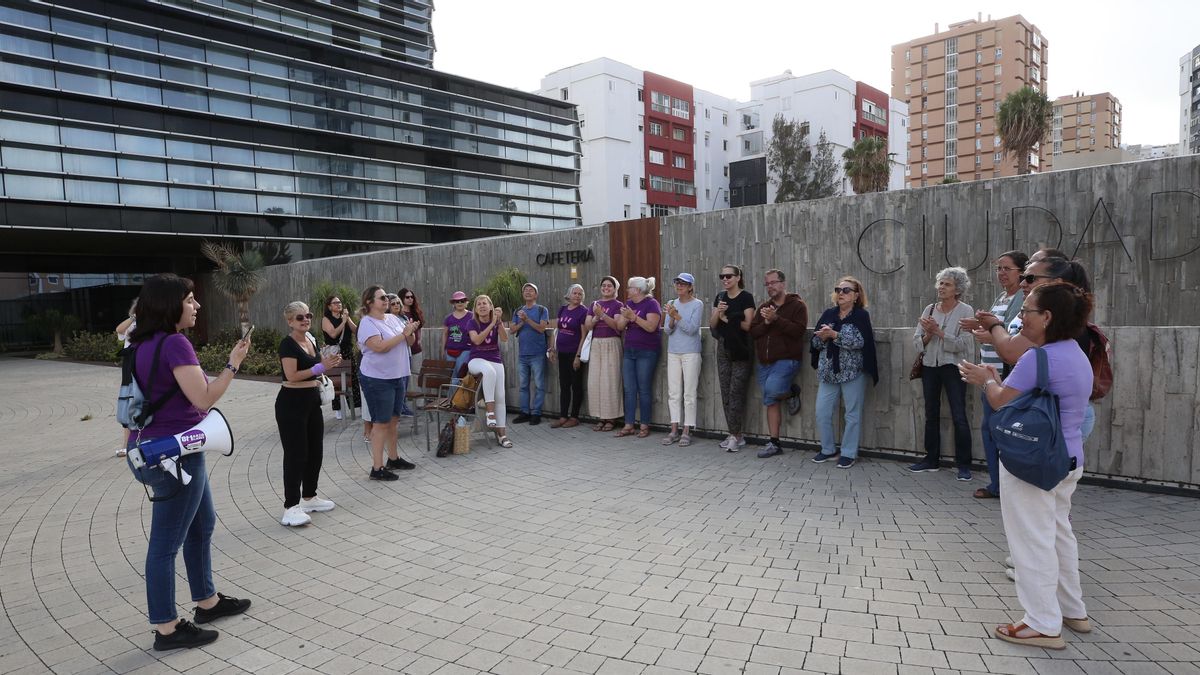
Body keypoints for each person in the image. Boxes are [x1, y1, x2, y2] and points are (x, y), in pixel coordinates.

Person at [960, 282, 1094, 650]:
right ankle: (1072, 611)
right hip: (1067, 458)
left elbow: (1001, 400)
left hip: (1034, 463)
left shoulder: (1039, 357)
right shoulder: (1074, 352)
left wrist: (985, 379)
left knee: (1030, 542)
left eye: (1027, 311)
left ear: (1047, 317)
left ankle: (1041, 624)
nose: (1020, 317)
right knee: (1058, 534)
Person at [124, 273, 251, 651]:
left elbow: (129, 405)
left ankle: (207, 602)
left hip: (157, 449)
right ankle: (166, 628)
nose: (197, 306)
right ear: (170, 305)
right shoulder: (175, 343)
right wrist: (233, 363)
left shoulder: (138, 344)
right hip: (175, 453)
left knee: (202, 525)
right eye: (191, 299)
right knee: (165, 545)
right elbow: (203, 399)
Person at [958, 250, 1028, 499]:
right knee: (991, 430)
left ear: (1022, 272)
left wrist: (987, 333)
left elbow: (1010, 336)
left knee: (999, 431)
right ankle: (998, 484)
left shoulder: (1022, 297)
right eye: (998, 268)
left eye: (1006, 268)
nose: (1001, 273)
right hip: (989, 375)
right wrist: (978, 326)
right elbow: (997, 330)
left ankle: (1003, 486)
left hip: (1005, 377)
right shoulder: (1002, 296)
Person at [276, 302, 340, 527]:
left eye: (308, 315)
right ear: (290, 321)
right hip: (291, 404)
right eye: (299, 317)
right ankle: (290, 507)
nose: (305, 319)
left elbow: (318, 365)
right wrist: (320, 368)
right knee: (296, 455)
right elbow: (291, 375)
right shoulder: (288, 344)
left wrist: (329, 361)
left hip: (312, 401)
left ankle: (310, 497)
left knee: (315, 451)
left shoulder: (311, 339)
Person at [910, 267, 976, 478]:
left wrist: (939, 332)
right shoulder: (929, 309)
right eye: (940, 283)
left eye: (947, 284)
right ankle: (931, 459)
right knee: (931, 414)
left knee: (959, 415)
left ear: (957, 289)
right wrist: (929, 335)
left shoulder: (966, 311)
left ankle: (964, 465)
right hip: (930, 366)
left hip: (954, 367)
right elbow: (917, 343)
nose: (941, 287)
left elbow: (962, 345)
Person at [809, 276, 879, 468]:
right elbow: (814, 344)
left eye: (846, 290)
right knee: (822, 412)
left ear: (856, 295)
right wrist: (823, 338)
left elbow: (860, 342)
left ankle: (848, 453)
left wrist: (834, 335)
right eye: (838, 289)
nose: (841, 293)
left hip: (853, 372)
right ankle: (828, 449)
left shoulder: (861, 316)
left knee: (852, 414)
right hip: (828, 372)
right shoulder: (828, 314)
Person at [357, 286, 419, 481]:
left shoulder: (392, 318)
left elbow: (409, 342)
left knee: (393, 420)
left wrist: (410, 332)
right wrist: (403, 334)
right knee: (381, 423)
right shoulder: (367, 323)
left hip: (397, 375)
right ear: (369, 302)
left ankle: (393, 458)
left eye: (386, 297)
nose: (386, 300)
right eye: (381, 297)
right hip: (378, 379)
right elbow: (380, 347)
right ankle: (377, 467)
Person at [748, 269, 808, 458]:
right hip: (764, 363)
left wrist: (776, 320)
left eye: (773, 283)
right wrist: (766, 323)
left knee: (772, 390)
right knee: (770, 400)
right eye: (767, 284)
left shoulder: (797, 305)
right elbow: (753, 332)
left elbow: (798, 331)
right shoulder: (764, 307)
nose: (770, 287)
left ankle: (792, 392)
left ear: (782, 283)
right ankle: (774, 443)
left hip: (787, 359)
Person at [710, 265, 755, 452]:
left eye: (729, 276)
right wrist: (717, 314)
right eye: (722, 276)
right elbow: (712, 325)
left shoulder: (746, 297)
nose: (725, 279)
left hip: (741, 348)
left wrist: (726, 318)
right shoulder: (720, 297)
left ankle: (735, 435)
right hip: (723, 346)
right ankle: (734, 434)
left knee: (736, 392)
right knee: (725, 392)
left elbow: (748, 326)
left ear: (738, 277)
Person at [614, 276, 662, 438]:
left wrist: (633, 317)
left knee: (644, 388)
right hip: (630, 350)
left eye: (629, 287)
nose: (627, 290)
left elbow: (651, 327)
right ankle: (629, 424)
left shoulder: (651, 304)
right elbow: (620, 326)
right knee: (629, 389)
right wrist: (626, 317)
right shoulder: (629, 305)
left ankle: (644, 424)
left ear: (638, 290)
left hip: (647, 351)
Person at [662, 273, 703, 446]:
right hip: (673, 352)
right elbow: (667, 330)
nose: (679, 286)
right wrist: (671, 317)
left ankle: (687, 429)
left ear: (690, 287)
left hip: (691, 353)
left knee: (689, 393)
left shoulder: (697, 304)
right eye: (677, 283)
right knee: (673, 393)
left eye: (683, 284)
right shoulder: (672, 303)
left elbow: (692, 329)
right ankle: (674, 429)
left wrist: (677, 316)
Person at [468, 294, 513, 447]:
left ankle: (502, 435)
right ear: (475, 309)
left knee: (501, 396)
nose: (482, 306)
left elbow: (505, 338)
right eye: (478, 304)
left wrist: (498, 322)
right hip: (476, 360)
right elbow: (477, 340)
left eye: (484, 303)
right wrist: (491, 324)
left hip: (495, 359)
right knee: (489, 372)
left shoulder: (496, 321)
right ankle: (490, 412)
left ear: (491, 306)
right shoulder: (472, 323)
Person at [585, 276, 625, 432]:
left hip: (611, 342)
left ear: (615, 289)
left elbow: (617, 326)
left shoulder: (618, 305)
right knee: (595, 381)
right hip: (596, 343)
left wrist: (602, 315)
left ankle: (611, 417)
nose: (606, 288)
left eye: (610, 286)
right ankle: (600, 416)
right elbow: (588, 326)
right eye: (604, 285)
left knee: (610, 380)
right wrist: (595, 316)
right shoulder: (594, 304)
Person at [510, 282, 550, 425]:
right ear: (523, 294)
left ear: (536, 294)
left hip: (538, 354)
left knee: (539, 385)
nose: (528, 292)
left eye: (531, 290)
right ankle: (524, 412)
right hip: (522, 355)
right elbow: (512, 330)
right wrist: (522, 322)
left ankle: (536, 414)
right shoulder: (518, 311)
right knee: (523, 386)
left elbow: (541, 329)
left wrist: (527, 320)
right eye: (525, 290)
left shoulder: (541, 310)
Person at [549, 284, 589, 428]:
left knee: (576, 386)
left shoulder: (583, 311)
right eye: (575, 293)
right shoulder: (563, 309)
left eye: (580, 294)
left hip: (574, 353)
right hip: (563, 353)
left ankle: (574, 417)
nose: (577, 296)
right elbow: (556, 330)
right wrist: (552, 349)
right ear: (569, 295)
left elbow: (584, 335)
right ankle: (563, 416)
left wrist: (578, 356)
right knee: (564, 385)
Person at [321, 294, 359, 420]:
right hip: (335, 352)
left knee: (352, 379)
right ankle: (338, 409)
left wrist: (347, 319)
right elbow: (332, 334)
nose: (339, 304)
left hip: (347, 351)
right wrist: (343, 322)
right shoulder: (326, 319)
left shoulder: (345, 317)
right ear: (329, 307)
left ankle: (355, 406)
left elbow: (356, 331)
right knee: (337, 381)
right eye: (335, 303)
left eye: (340, 302)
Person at [114, 298, 138, 457]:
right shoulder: (132, 324)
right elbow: (119, 330)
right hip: (130, 363)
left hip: (143, 361)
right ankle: (127, 445)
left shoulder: (153, 325)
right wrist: (133, 318)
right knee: (128, 401)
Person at [397, 288, 424, 415]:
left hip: (416, 349)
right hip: (403, 349)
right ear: (401, 298)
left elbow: (419, 329)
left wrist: (420, 340)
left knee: (417, 374)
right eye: (407, 297)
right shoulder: (399, 314)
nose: (410, 299)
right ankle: (404, 404)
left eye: (411, 297)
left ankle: (419, 402)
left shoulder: (416, 312)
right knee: (404, 377)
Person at [443, 290, 474, 386]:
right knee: (452, 377)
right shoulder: (448, 318)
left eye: (462, 300)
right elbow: (445, 334)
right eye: (457, 301)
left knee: (462, 376)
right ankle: (453, 400)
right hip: (450, 351)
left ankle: (461, 400)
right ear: (453, 303)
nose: (460, 303)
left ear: (466, 302)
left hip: (465, 350)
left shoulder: (472, 316)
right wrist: (443, 350)